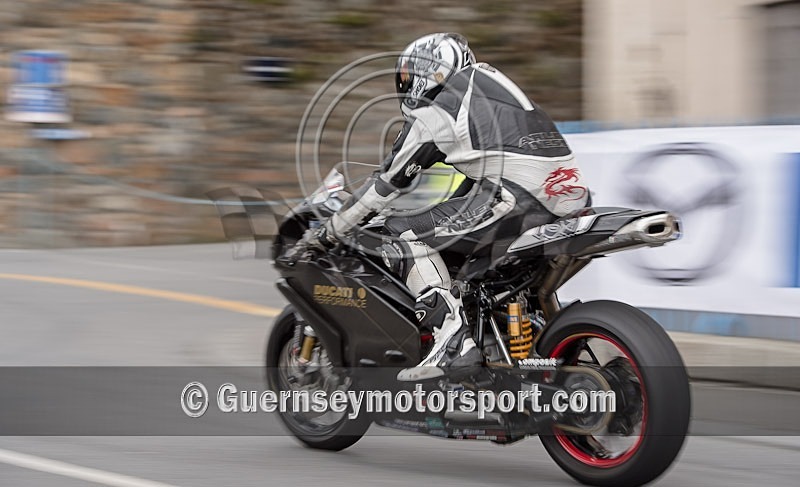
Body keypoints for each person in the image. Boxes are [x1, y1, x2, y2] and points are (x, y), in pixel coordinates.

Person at [303, 33, 589, 381]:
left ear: (426, 70)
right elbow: (490, 166)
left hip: (520, 199)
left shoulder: (437, 108)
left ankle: (452, 339)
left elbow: (386, 183)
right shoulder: (487, 83)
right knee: (482, 268)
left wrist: (330, 231)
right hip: (571, 193)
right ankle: (535, 341)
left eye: (408, 78)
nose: (406, 87)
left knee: (401, 233)